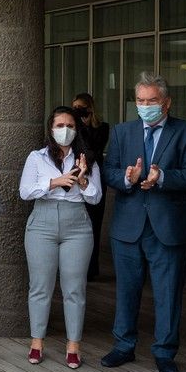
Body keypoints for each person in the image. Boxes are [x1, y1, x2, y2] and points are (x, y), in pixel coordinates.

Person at [100, 72, 186, 372]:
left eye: (152, 101)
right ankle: (123, 345)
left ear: (166, 102)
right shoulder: (122, 132)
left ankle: (164, 352)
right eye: (141, 101)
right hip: (129, 226)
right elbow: (110, 170)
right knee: (127, 290)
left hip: (169, 227)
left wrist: (163, 177)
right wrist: (126, 178)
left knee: (169, 292)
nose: (145, 106)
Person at [19, 106, 102, 368]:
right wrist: (55, 182)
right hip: (41, 222)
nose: (64, 130)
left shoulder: (87, 159)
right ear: (50, 129)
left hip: (76, 223)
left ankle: (73, 345)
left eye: (70, 126)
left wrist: (82, 181)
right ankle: (36, 342)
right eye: (59, 125)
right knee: (40, 286)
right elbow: (25, 192)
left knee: (74, 288)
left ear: (77, 130)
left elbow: (96, 197)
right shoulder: (37, 157)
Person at [72, 92, 110, 280]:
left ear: (90, 108)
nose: (78, 111)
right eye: (75, 108)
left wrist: (85, 125)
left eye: (81, 108)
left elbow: (93, 149)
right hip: (79, 179)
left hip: (96, 177)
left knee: (94, 224)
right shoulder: (75, 128)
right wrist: (78, 125)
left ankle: (91, 269)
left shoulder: (102, 128)